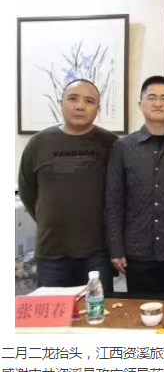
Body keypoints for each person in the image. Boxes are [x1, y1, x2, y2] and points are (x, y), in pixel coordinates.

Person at [18, 79, 117, 293]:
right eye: (73, 98)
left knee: (97, 310)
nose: (80, 106)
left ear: (97, 109)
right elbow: (27, 190)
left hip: (98, 252)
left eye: (89, 101)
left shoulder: (111, 144)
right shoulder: (38, 143)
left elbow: (120, 193)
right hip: (51, 251)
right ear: (61, 103)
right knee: (53, 312)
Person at [105, 76, 164, 296]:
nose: (158, 103)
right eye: (152, 97)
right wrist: (116, 248)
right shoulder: (123, 147)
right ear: (140, 103)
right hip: (137, 251)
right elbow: (114, 201)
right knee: (141, 312)